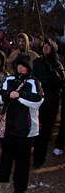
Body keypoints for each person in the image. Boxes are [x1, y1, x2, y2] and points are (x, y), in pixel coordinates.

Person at [0, 55, 43, 193]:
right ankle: (3, 175)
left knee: (23, 158)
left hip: (26, 126)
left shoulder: (33, 81)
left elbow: (38, 100)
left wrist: (19, 95)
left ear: (28, 67)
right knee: (6, 153)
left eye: (23, 65)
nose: (20, 68)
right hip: (9, 124)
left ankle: (20, 186)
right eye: (18, 65)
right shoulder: (10, 79)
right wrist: (9, 95)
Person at [32, 38, 65, 168]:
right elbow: (32, 78)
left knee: (45, 132)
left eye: (48, 46)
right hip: (37, 101)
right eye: (44, 45)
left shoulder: (57, 63)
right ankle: (35, 153)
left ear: (53, 48)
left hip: (51, 103)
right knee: (36, 130)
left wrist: (51, 68)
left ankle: (39, 158)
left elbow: (60, 82)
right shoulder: (37, 62)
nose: (46, 47)